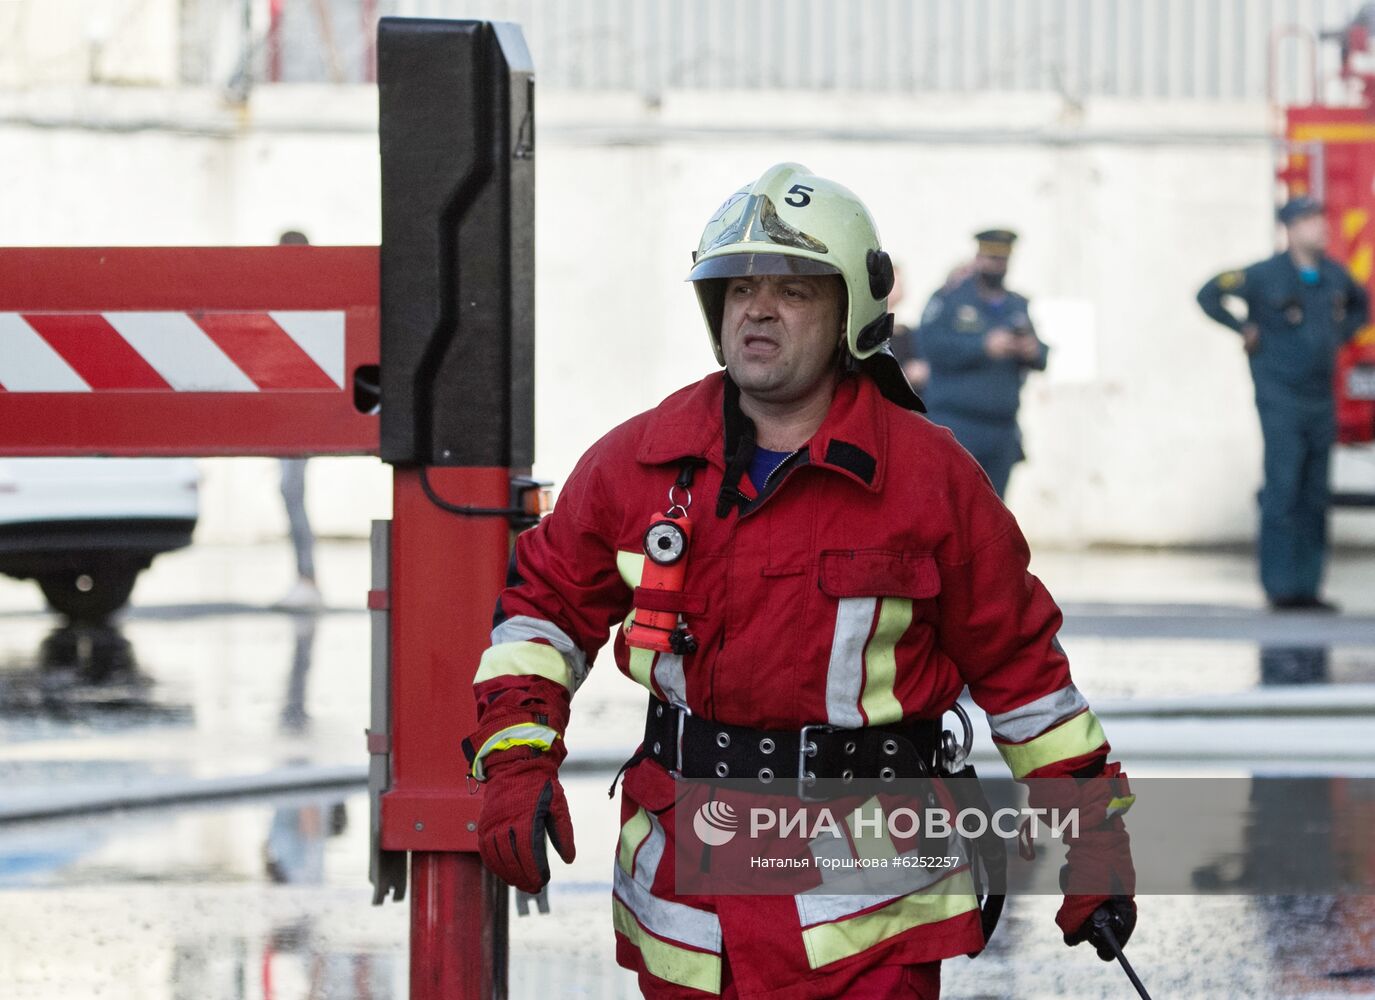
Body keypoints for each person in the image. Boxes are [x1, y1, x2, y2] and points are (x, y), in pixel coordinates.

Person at [463, 164, 1135, 999]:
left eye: (793, 290)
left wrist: (1093, 842)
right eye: (738, 287)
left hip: (870, 910)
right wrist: (517, 759)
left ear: (850, 310)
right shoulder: (635, 466)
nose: (758, 307)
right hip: (690, 904)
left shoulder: (930, 480)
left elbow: (1021, 673)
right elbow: (542, 614)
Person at [1196, 196, 1368, 612]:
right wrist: (1243, 327)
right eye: (1310, 220)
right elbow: (1207, 295)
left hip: (1319, 399)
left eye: (1322, 219)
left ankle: (1308, 587)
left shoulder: (1332, 275)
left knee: (1314, 494)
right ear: (1289, 229)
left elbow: (1361, 305)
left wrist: (1337, 336)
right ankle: (1280, 586)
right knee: (1284, 489)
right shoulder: (1262, 275)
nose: (1322, 228)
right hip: (1280, 399)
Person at [916, 229, 1048, 498]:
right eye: (991, 258)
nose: (996, 266)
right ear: (978, 257)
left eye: (1002, 260)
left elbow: (1042, 356)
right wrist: (982, 346)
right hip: (957, 425)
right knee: (952, 509)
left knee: (994, 515)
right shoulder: (950, 299)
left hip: (1002, 430)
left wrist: (1032, 350)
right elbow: (929, 344)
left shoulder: (1016, 305)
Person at [273, 230, 325, 611]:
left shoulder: (306, 298)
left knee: (292, 492)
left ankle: (307, 579)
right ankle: (305, 578)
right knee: (291, 492)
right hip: (293, 410)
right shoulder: (299, 296)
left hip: (303, 413)